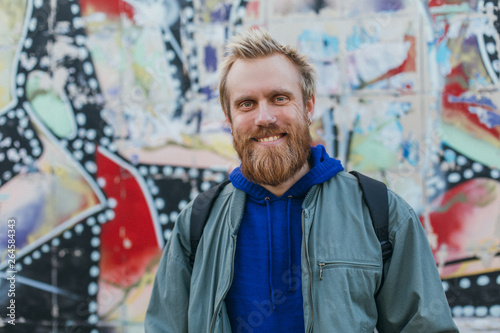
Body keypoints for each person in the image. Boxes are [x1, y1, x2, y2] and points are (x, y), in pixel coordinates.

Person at [145, 29, 458, 332]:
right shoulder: (197, 224)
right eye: (246, 104)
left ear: (308, 106)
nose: (264, 117)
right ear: (228, 118)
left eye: (279, 98)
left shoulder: (380, 213)